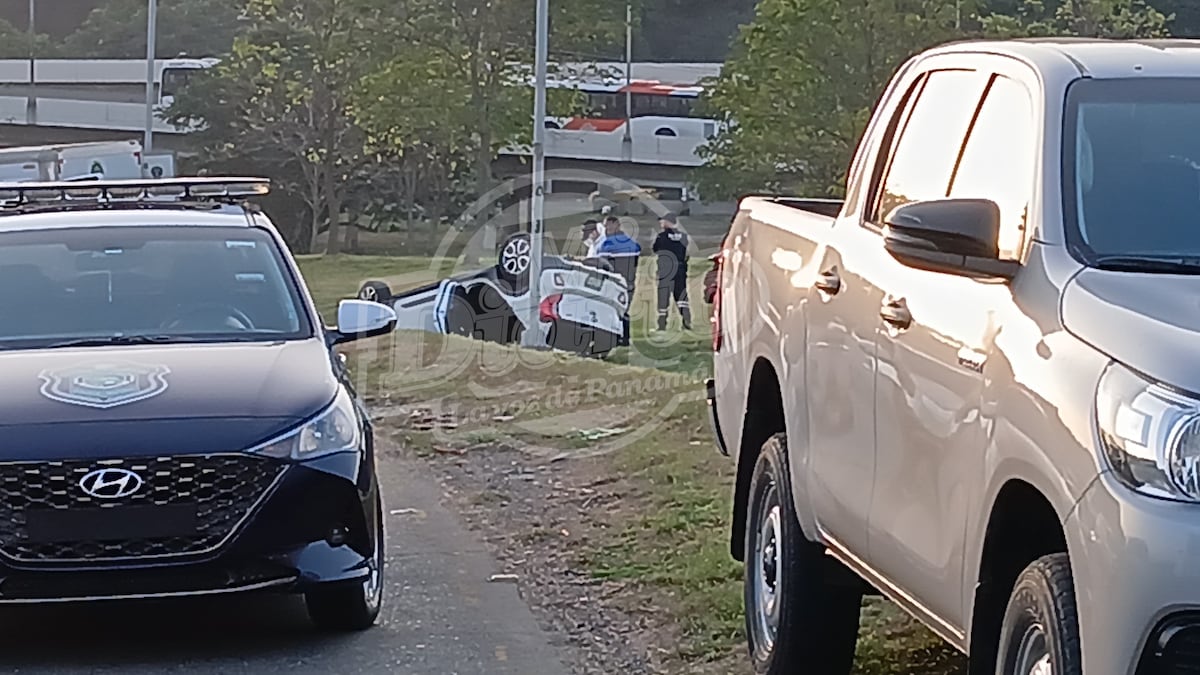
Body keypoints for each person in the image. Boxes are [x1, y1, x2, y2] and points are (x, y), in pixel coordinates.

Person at [597, 215, 641, 346]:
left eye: (608, 227)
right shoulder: (633, 244)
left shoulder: (606, 245)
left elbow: (602, 267)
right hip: (629, 284)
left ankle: (613, 337)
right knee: (624, 311)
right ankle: (626, 338)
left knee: (609, 311)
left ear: (615, 226)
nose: (606, 230)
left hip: (613, 284)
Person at [652, 212, 691, 330]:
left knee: (663, 296)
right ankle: (686, 320)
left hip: (666, 269)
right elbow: (685, 252)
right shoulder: (684, 236)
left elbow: (656, 249)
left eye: (663, 221)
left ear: (668, 222)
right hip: (680, 269)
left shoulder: (661, 236)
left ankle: (662, 324)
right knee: (681, 295)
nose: (661, 223)